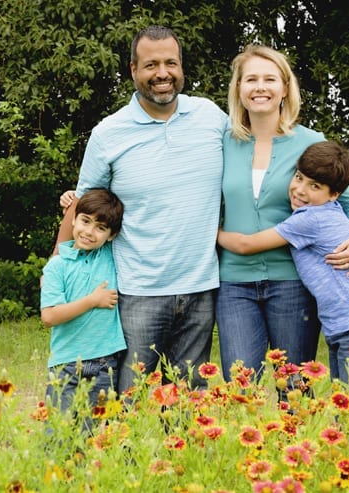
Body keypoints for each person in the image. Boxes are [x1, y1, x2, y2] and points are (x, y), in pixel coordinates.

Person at [53, 26, 227, 393]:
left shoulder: (211, 117)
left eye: (170, 63)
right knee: (132, 399)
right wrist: (57, 266)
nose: (162, 73)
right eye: (151, 65)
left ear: (181, 67)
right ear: (133, 70)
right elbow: (83, 206)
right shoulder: (109, 133)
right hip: (136, 290)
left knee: (190, 400)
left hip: (201, 287)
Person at [217, 44, 349, 384]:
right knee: (239, 391)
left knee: (295, 387)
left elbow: (348, 202)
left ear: (285, 88)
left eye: (270, 79)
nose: (260, 87)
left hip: (291, 283)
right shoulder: (221, 141)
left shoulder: (309, 141)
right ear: (238, 88)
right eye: (251, 79)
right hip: (234, 284)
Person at [218, 141, 349, 393]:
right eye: (299, 178)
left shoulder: (311, 219)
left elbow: (246, 244)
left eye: (315, 186)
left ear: (334, 194)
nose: (300, 190)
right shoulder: (326, 211)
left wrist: (213, 232)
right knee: (346, 407)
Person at [41, 188, 126, 420]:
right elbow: (49, 317)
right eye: (85, 221)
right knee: (59, 435)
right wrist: (92, 301)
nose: (89, 232)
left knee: (92, 436)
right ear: (74, 219)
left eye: (100, 228)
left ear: (111, 235)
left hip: (104, 364)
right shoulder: (56, 266)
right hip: (66, 365)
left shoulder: (109, 254)